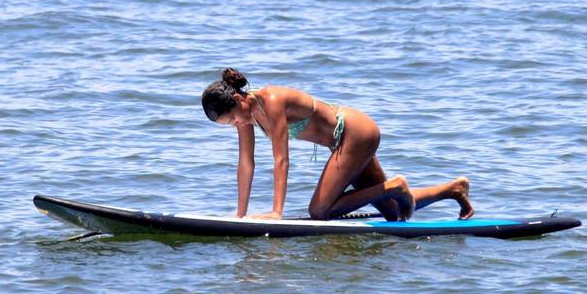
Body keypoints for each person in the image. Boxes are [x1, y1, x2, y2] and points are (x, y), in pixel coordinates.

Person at [201, 68, 474, 221]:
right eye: (230, 125)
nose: (236, 125)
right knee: (393, 211)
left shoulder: (270, 101)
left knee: (319, 211)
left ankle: (395, 185)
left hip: (355, 132)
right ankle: (454, 190)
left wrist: (276, 212)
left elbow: (281, 160)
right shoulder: (246, 117)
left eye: (232, 120)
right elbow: (246, 165)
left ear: (237, 100)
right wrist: (239, 216)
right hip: (346, 142)